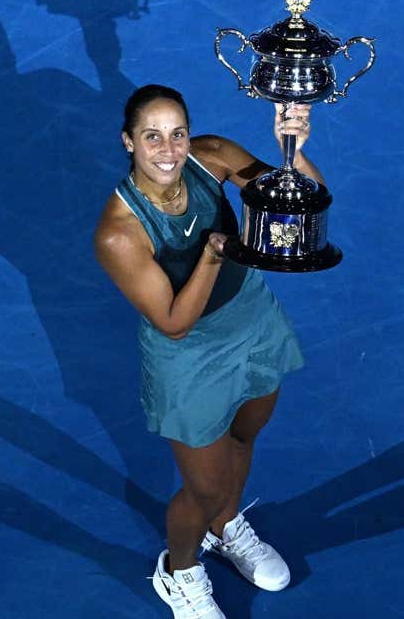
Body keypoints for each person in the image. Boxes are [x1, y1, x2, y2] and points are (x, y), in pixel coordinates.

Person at [94, 84, 319, 618]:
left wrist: (297, 148)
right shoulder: (118, 234)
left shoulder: (213, 156)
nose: (168, 150)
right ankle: (178, 571)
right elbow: (173, 323)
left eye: (177, 134)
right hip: (190, 356)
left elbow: (300, 209)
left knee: (245, 435)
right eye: (152, 137)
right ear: (129, 142)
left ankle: (226, 525)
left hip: (253, 321)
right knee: (202, 487)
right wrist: (216, 254)